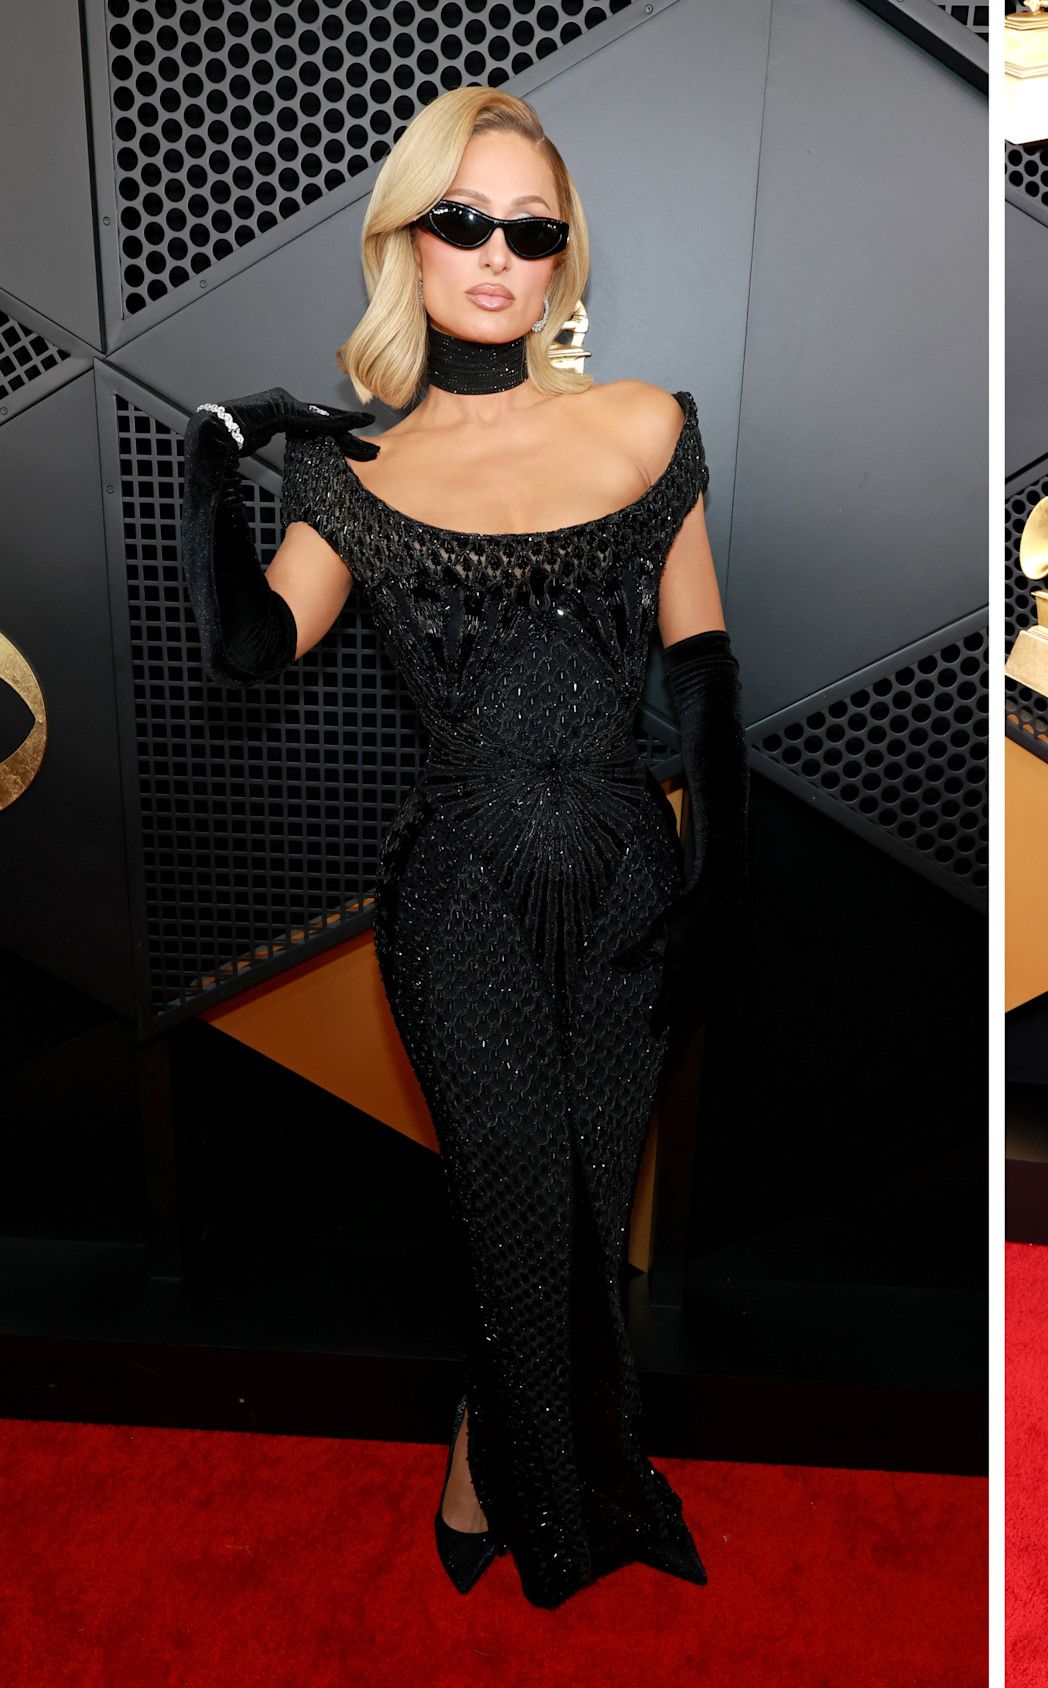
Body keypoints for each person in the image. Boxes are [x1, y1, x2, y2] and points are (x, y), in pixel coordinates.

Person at [174, 86, 746, 1608]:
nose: (498, 253)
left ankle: (520, 1434)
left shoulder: (650, 423)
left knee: (587, 1183)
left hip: (630, 878)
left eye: (532, 229)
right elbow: (245, 657)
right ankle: (492, 1455)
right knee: (511, 1187)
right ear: (408, 243)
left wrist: (717, 888)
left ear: (563, 259)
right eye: (464, 220)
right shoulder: (354, 478)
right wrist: (211, 459)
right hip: (458, 896)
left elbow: (701, 672)